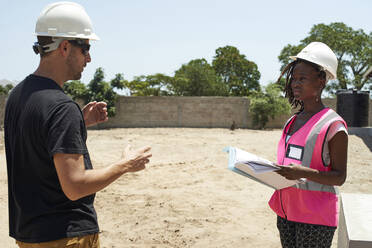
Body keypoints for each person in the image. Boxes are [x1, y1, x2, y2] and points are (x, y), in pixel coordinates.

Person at [4, 2, 151, 247]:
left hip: (29, 236)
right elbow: (75, 186)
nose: (89, 57)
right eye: (85, 48)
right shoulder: (61, 107)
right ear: (64, 47)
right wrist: (125, 165)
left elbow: (37, 145)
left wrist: (79, 123)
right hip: (66, 236)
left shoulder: (17, 95)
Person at [269, 42, 348, 248]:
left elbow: (340, 177)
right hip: (286, 211)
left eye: (302, 79)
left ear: (321, 81)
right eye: (294, 79)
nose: (295, 83)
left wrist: (303, 172)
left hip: (315, 217)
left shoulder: (333, 125)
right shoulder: (291, 122)